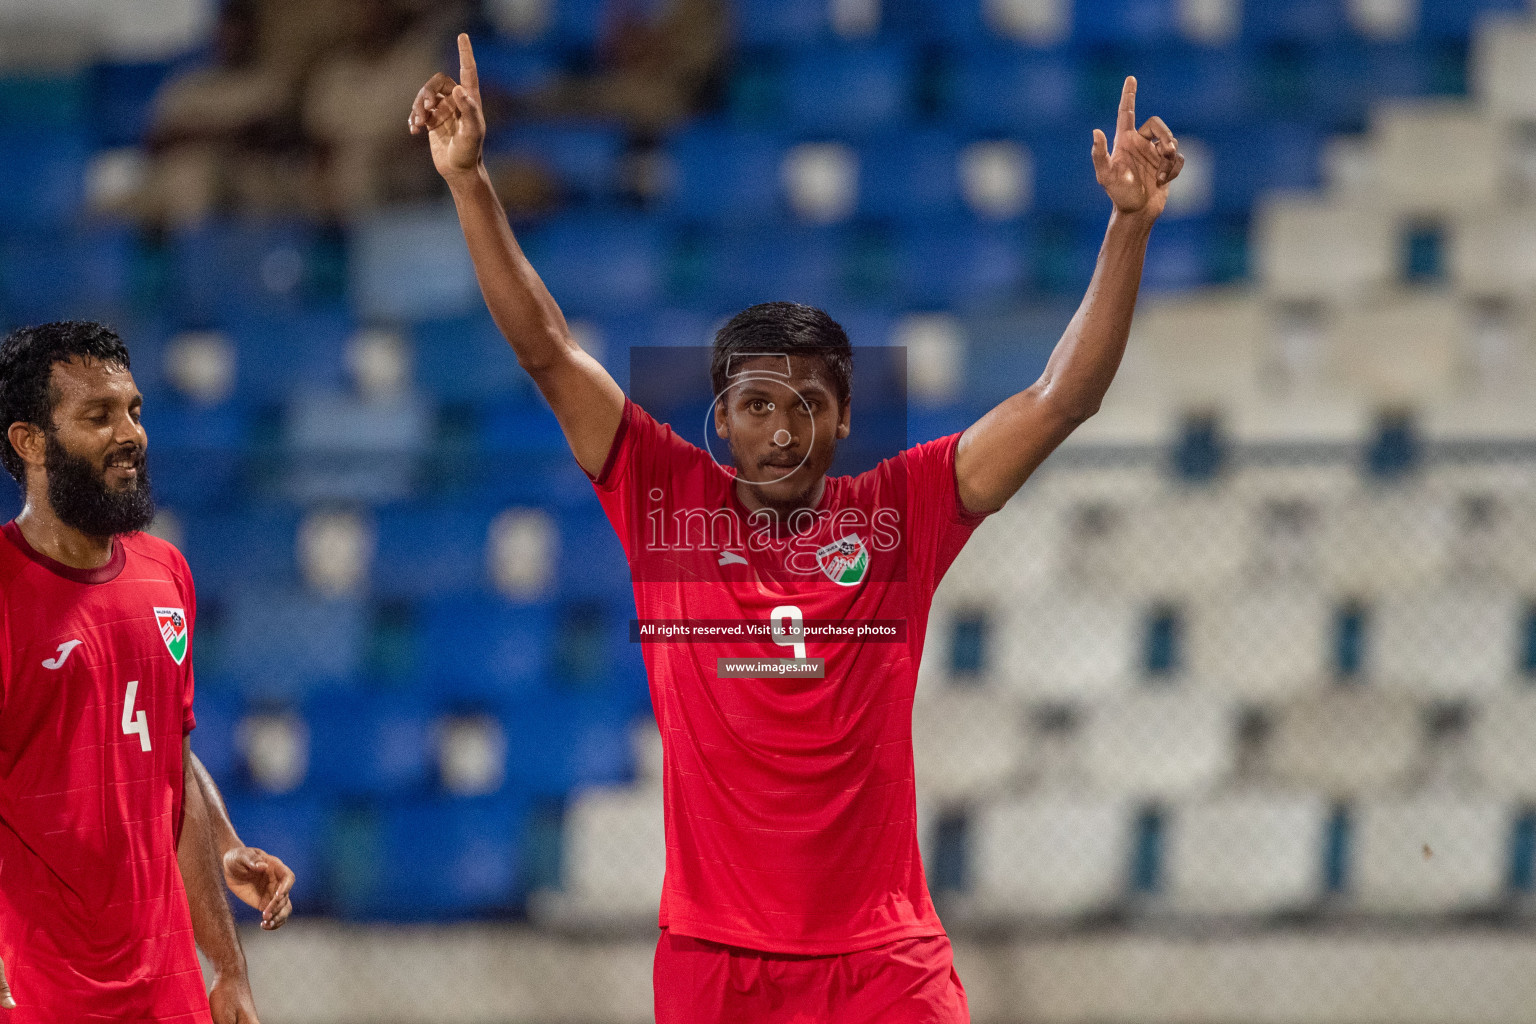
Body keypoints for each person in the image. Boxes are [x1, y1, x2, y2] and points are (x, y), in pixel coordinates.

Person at [411, 35, 1183, 1023]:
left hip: (883, 961)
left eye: (809, 403)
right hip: (717, 961)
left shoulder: (901, 511)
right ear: (720, 419)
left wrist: (1129, 228)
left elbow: (1059, 396)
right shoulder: (665, 498)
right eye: (759, 404)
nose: (783, 428)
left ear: (848, 417)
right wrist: (471, 181)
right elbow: (548, 350)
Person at [0, 321, 297, 1022]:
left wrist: (227, 966)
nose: (130, 433)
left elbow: (171, 755)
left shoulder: (166, 574)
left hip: (168, 995)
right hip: (39, 996)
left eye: (134, 410)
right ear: (31, 442)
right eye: (98, 416)